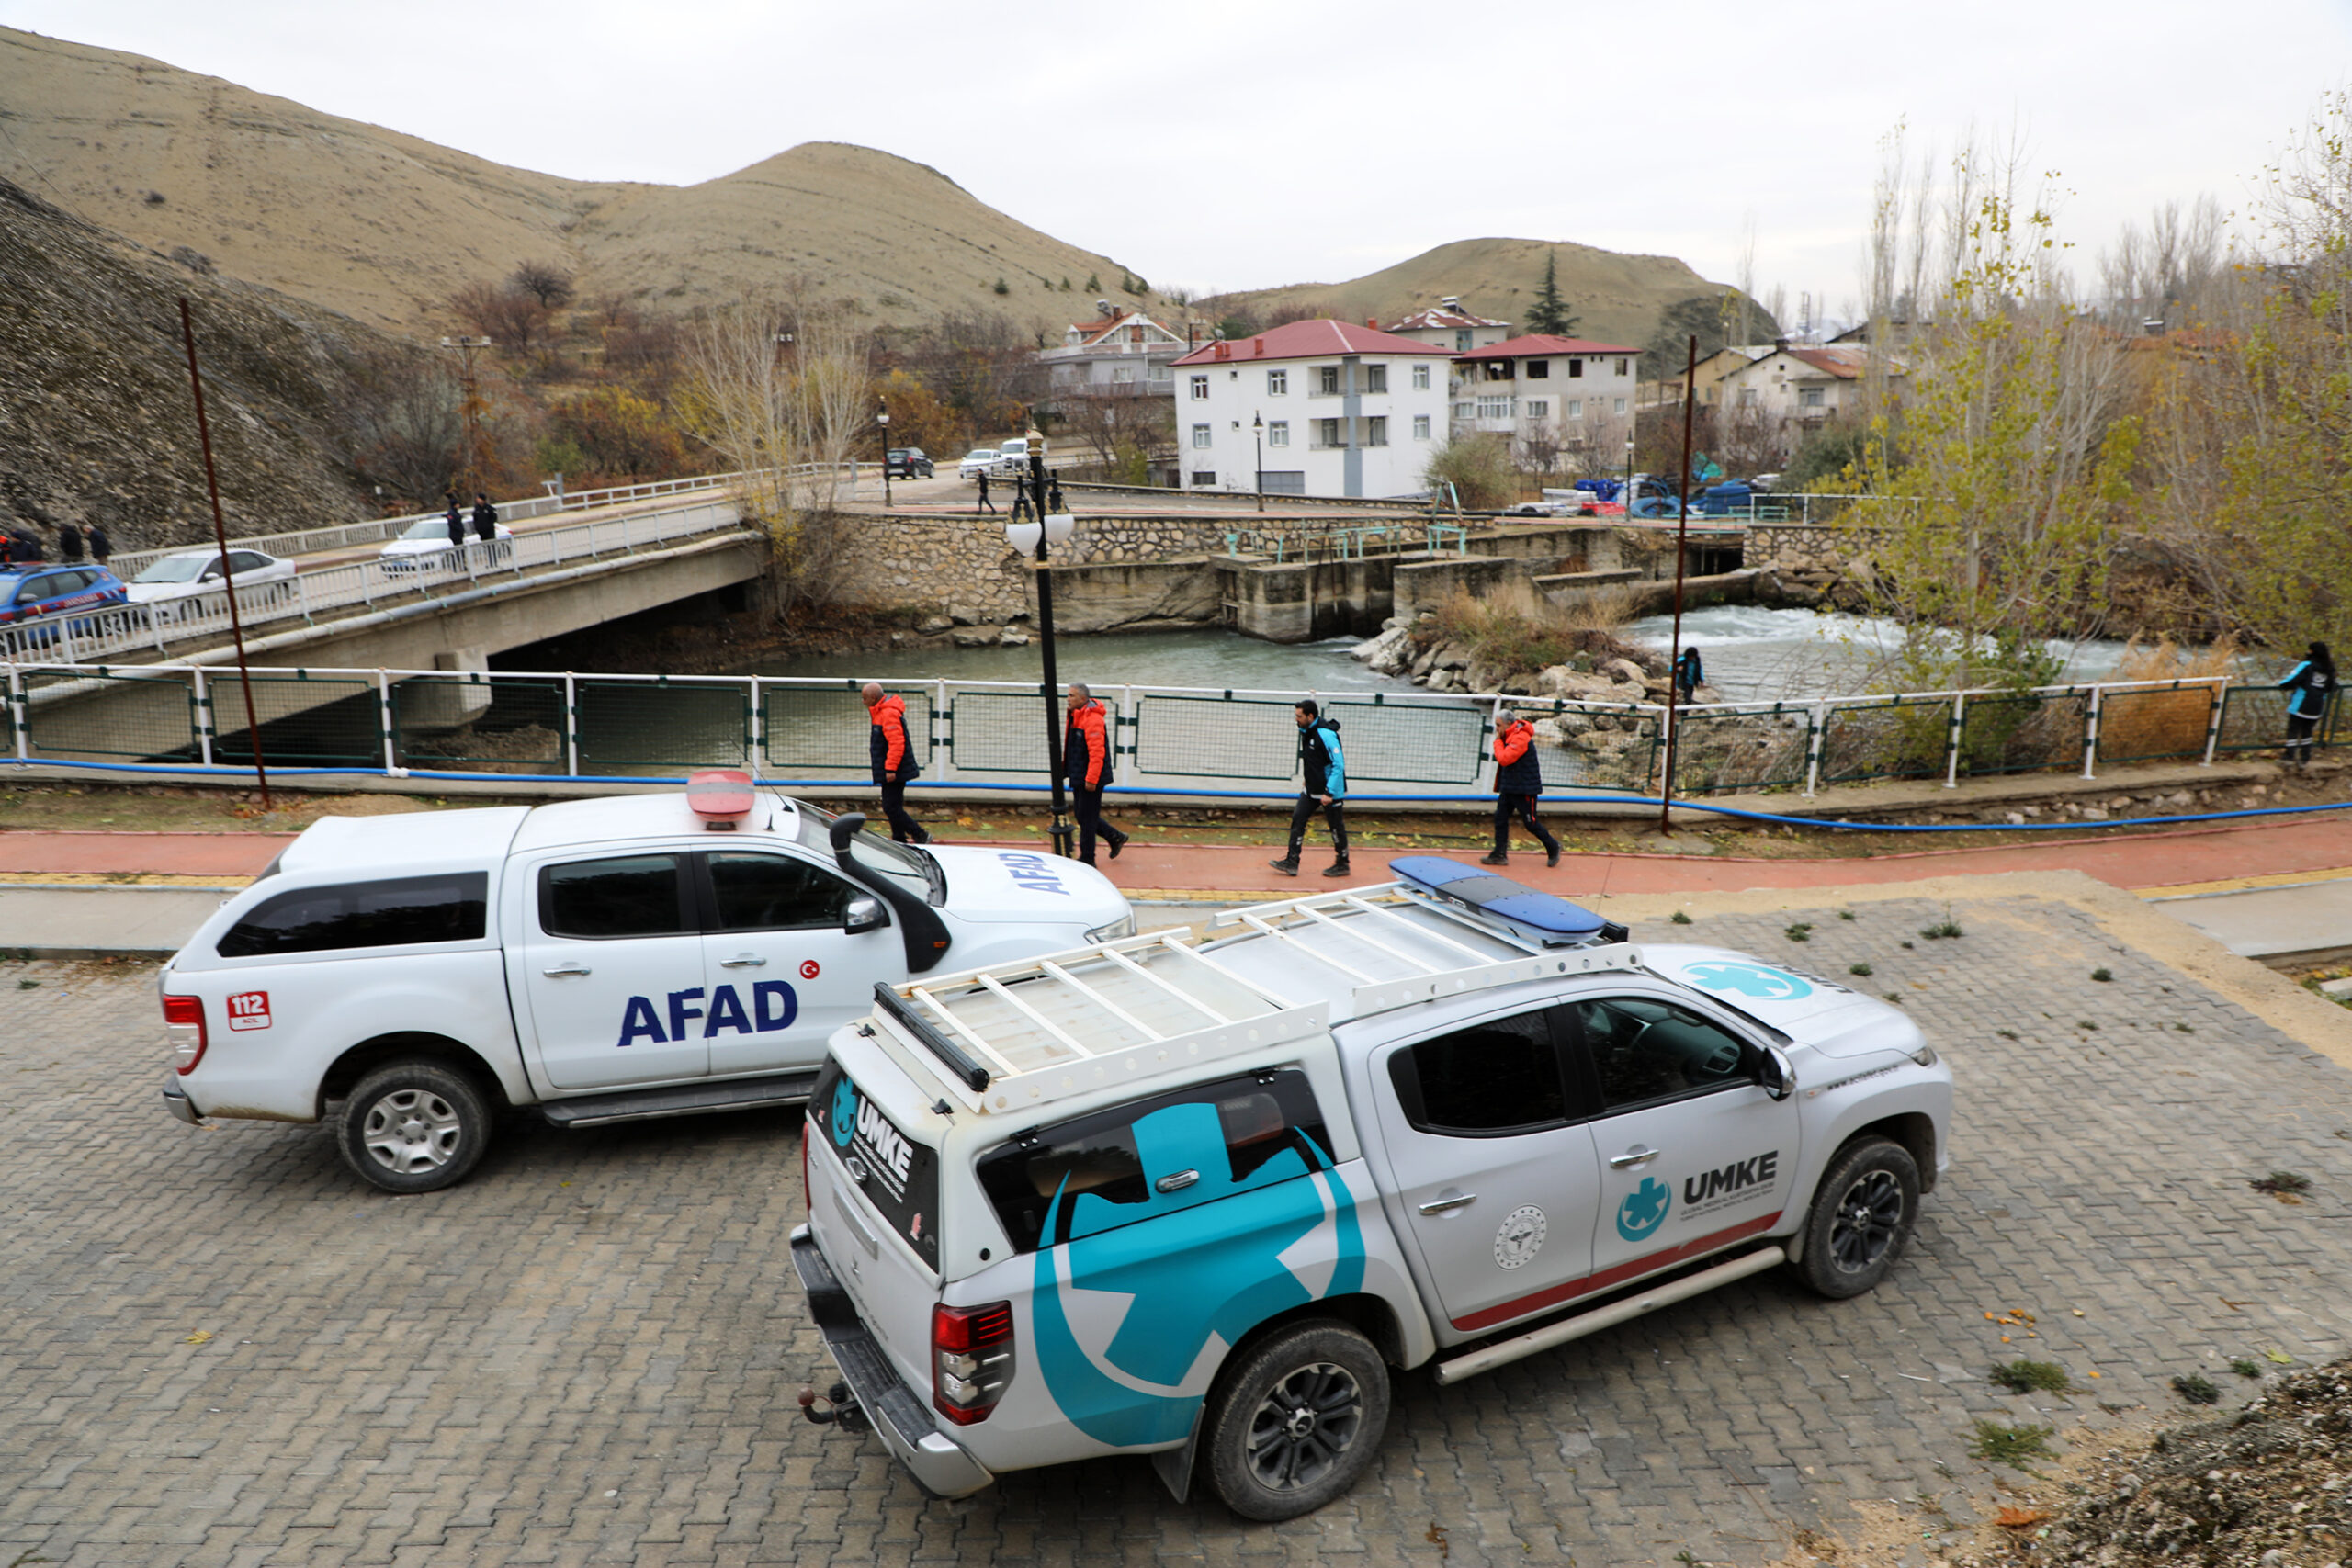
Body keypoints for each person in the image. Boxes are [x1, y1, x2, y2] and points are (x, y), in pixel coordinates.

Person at [1269, 699, 1348, 878]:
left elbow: (1338, 765)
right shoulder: (1306, 730)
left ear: (1310, 716)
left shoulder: (1326, 734)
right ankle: (1292, 861)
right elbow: (1314, 759)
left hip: (1330, 791)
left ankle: (1343, 863)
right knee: (1298, 819)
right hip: (1312, 789)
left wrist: (1329, 792)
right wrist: (1308, 778)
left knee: (1336, 826)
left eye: (1299, 716)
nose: (1296, 719)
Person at [1483, 706, 1562, 867]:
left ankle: (1553, 846)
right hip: (1510, 786)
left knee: (1531, 823)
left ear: (1508, 724)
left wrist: (1497, 742)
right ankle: (1499, 854)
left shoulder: (1520, 738)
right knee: (1500, 818)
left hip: (1524, 789)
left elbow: (1505, 759)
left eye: (1498, 725)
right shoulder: (1510, 735)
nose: (1496, 729)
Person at [1063, 683, 1127, 865]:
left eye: (1071, 695)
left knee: (1087, 819)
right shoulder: (1076, 714)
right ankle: (1115, 837)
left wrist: (1091, 780)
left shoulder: (1092, 719)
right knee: (1082, 815)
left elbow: (1097, 753)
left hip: (1090, 776)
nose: (1068, 699)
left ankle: (1088, 859)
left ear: (1082, 699)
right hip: (1079, 773)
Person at [864, 682, 931, 843]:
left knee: (890, 807)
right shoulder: (881, 712)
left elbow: (896, 743)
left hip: (894, 769)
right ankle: (899, 838)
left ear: (873, 698)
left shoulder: (887, 714)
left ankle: (920, 834)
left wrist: (890, 769)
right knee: (894, 806)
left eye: (864, 698)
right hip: (892, 767)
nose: (863, 702)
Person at [2276, 641, 2337, 769]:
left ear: (2312, 651)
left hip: (2301, 702)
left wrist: (2282, 685)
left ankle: (2289, 756)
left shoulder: (2307, 665)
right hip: (2318, 704)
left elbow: (2293, 679)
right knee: (2307, 731)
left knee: (2293, 729)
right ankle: (2305, 757)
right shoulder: (2330, 668)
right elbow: (2332, 686)